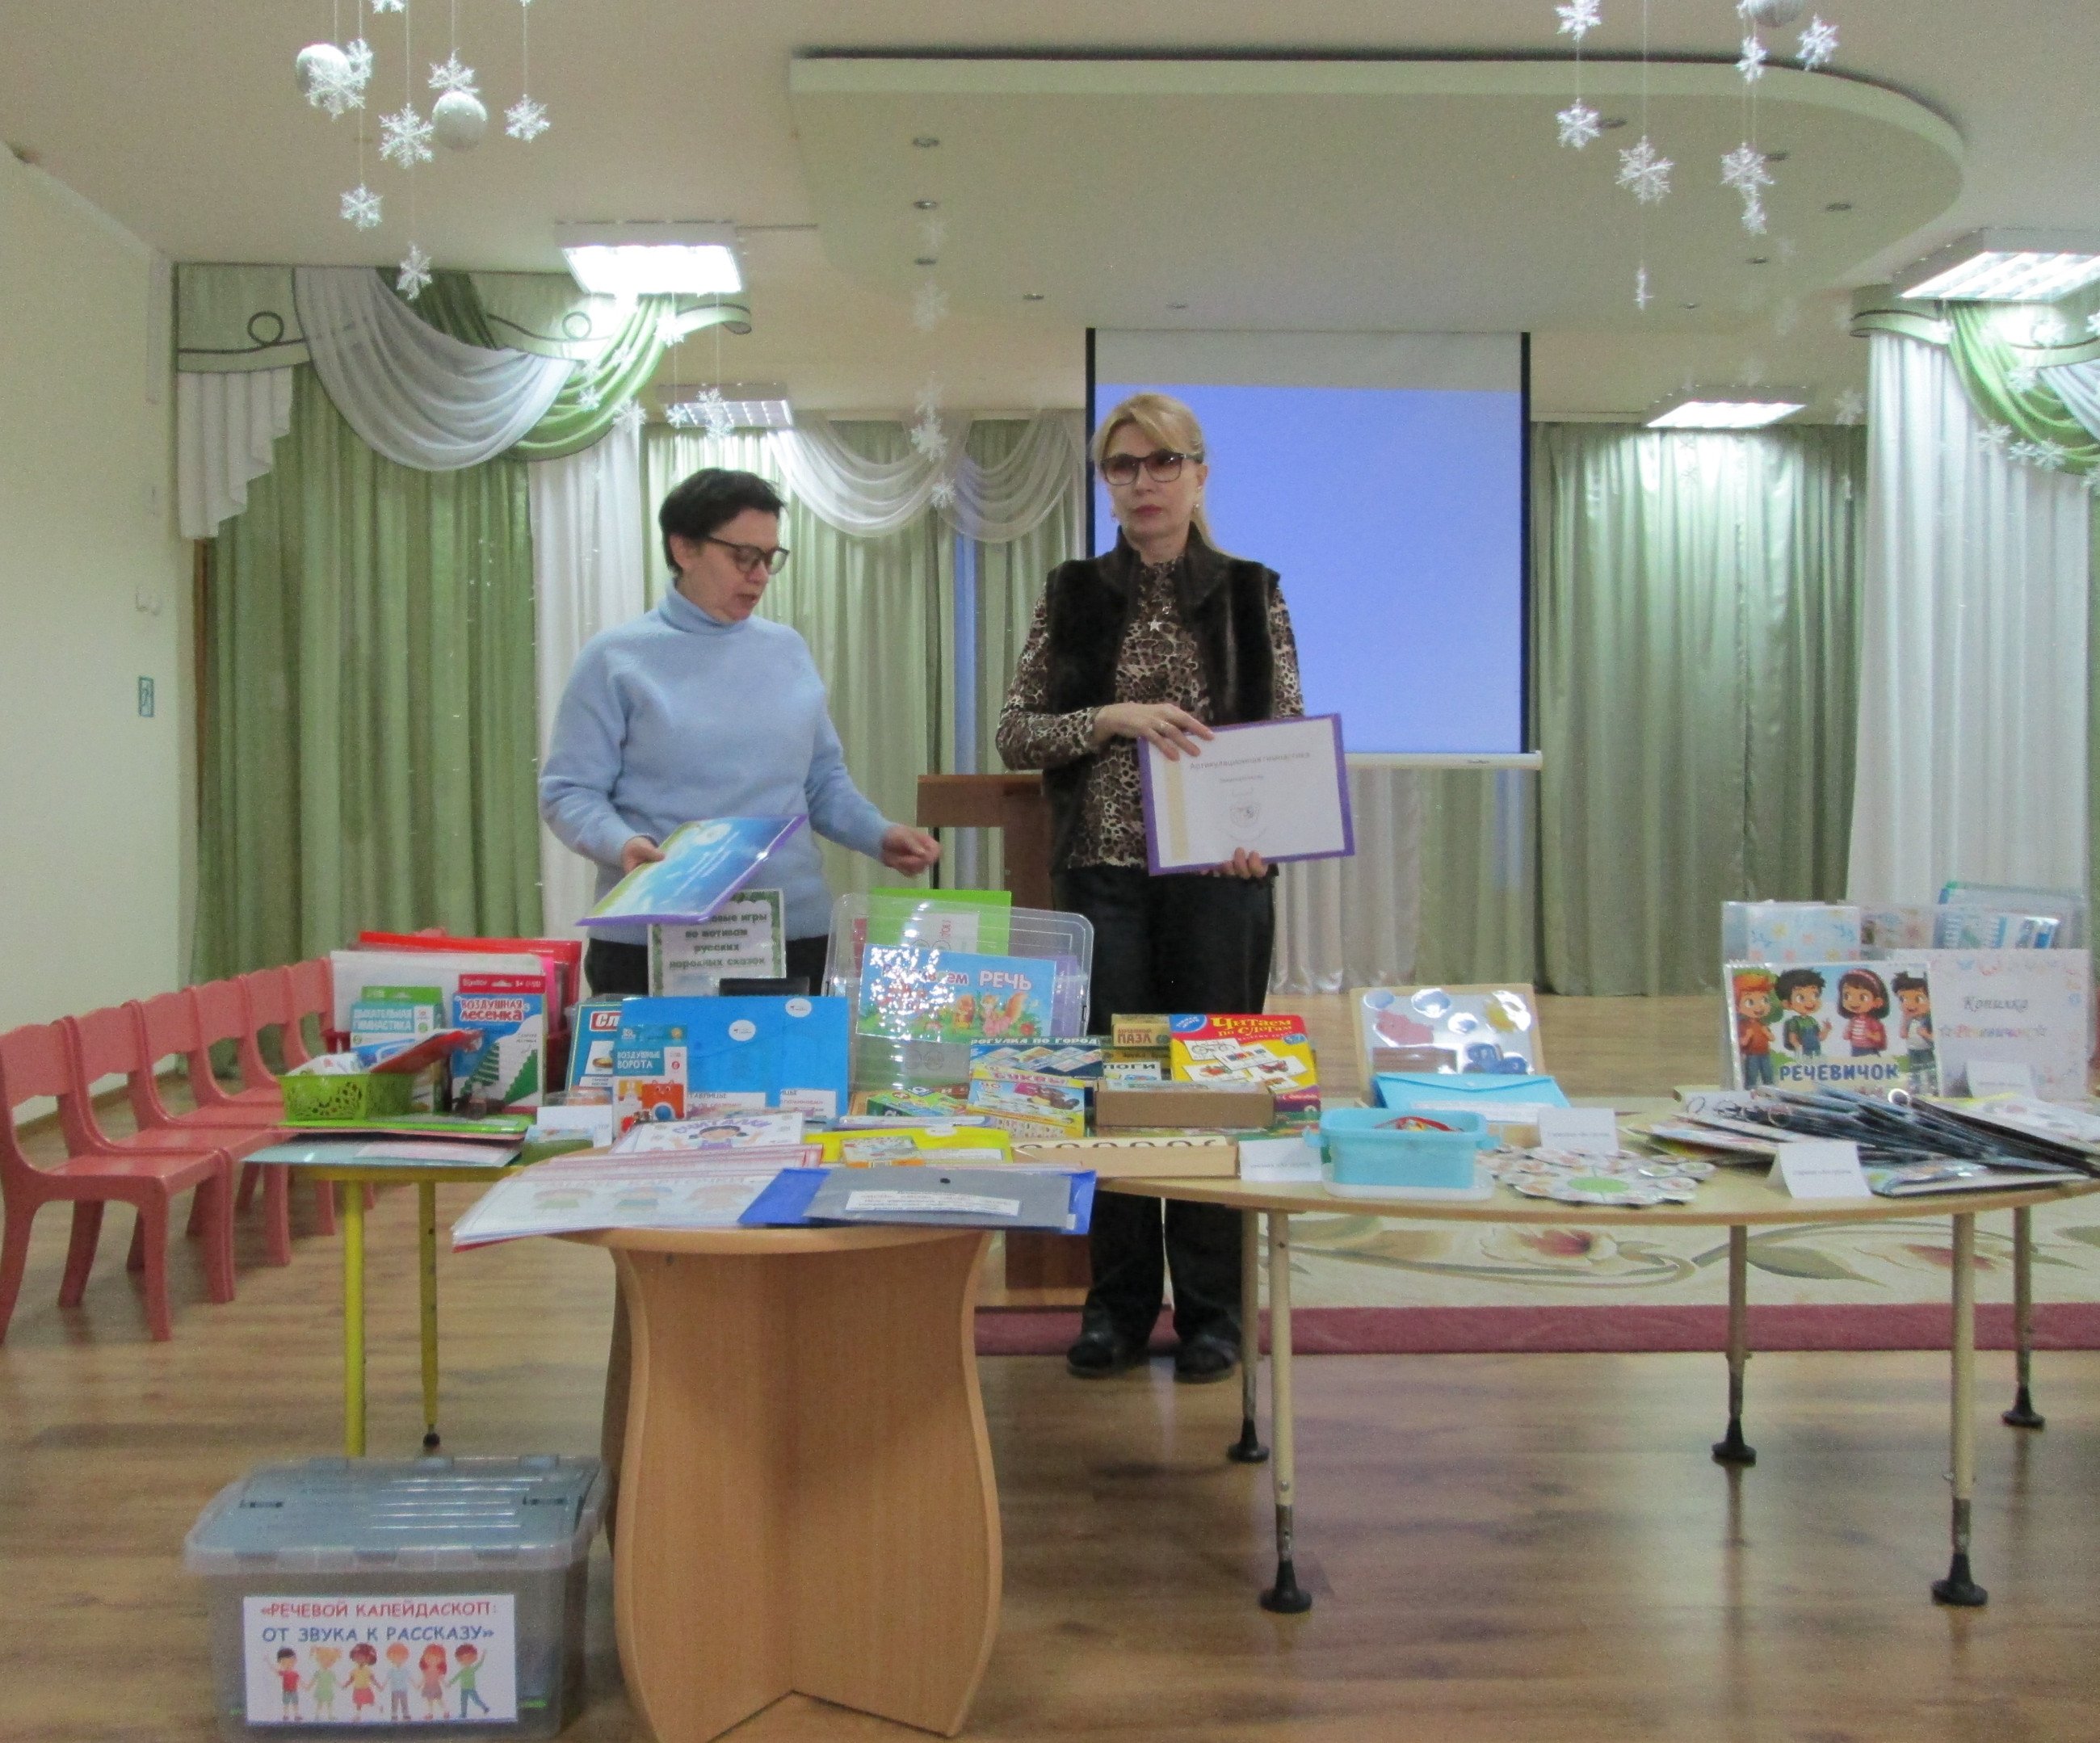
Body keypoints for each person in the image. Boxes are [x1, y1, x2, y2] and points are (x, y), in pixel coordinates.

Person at [997, 392, 1303, 1384]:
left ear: (1199, 475)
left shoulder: (1252, 591)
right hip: (1104, 879)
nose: (1143, 482)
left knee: (1211, 1092)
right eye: (1123, 466)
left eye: (1163, 462)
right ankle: (1118, 1307)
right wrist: (1109, 717)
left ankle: (1214, 1311)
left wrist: (1263, 840)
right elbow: (1016, 733)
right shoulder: (1072, 592)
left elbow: (1282, 737)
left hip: (1217, 883)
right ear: (1106, 483)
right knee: (1116, 1095)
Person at [541, 468, 940, 996]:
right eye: (744, 557)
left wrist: (879, 834)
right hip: (652, 943)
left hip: (792, 933)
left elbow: (821, 781)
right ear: (684, 548)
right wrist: (624, 844)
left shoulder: (786, 650)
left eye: (770, 558)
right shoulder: (614, 659)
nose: (760, 576)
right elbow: (568, 792)